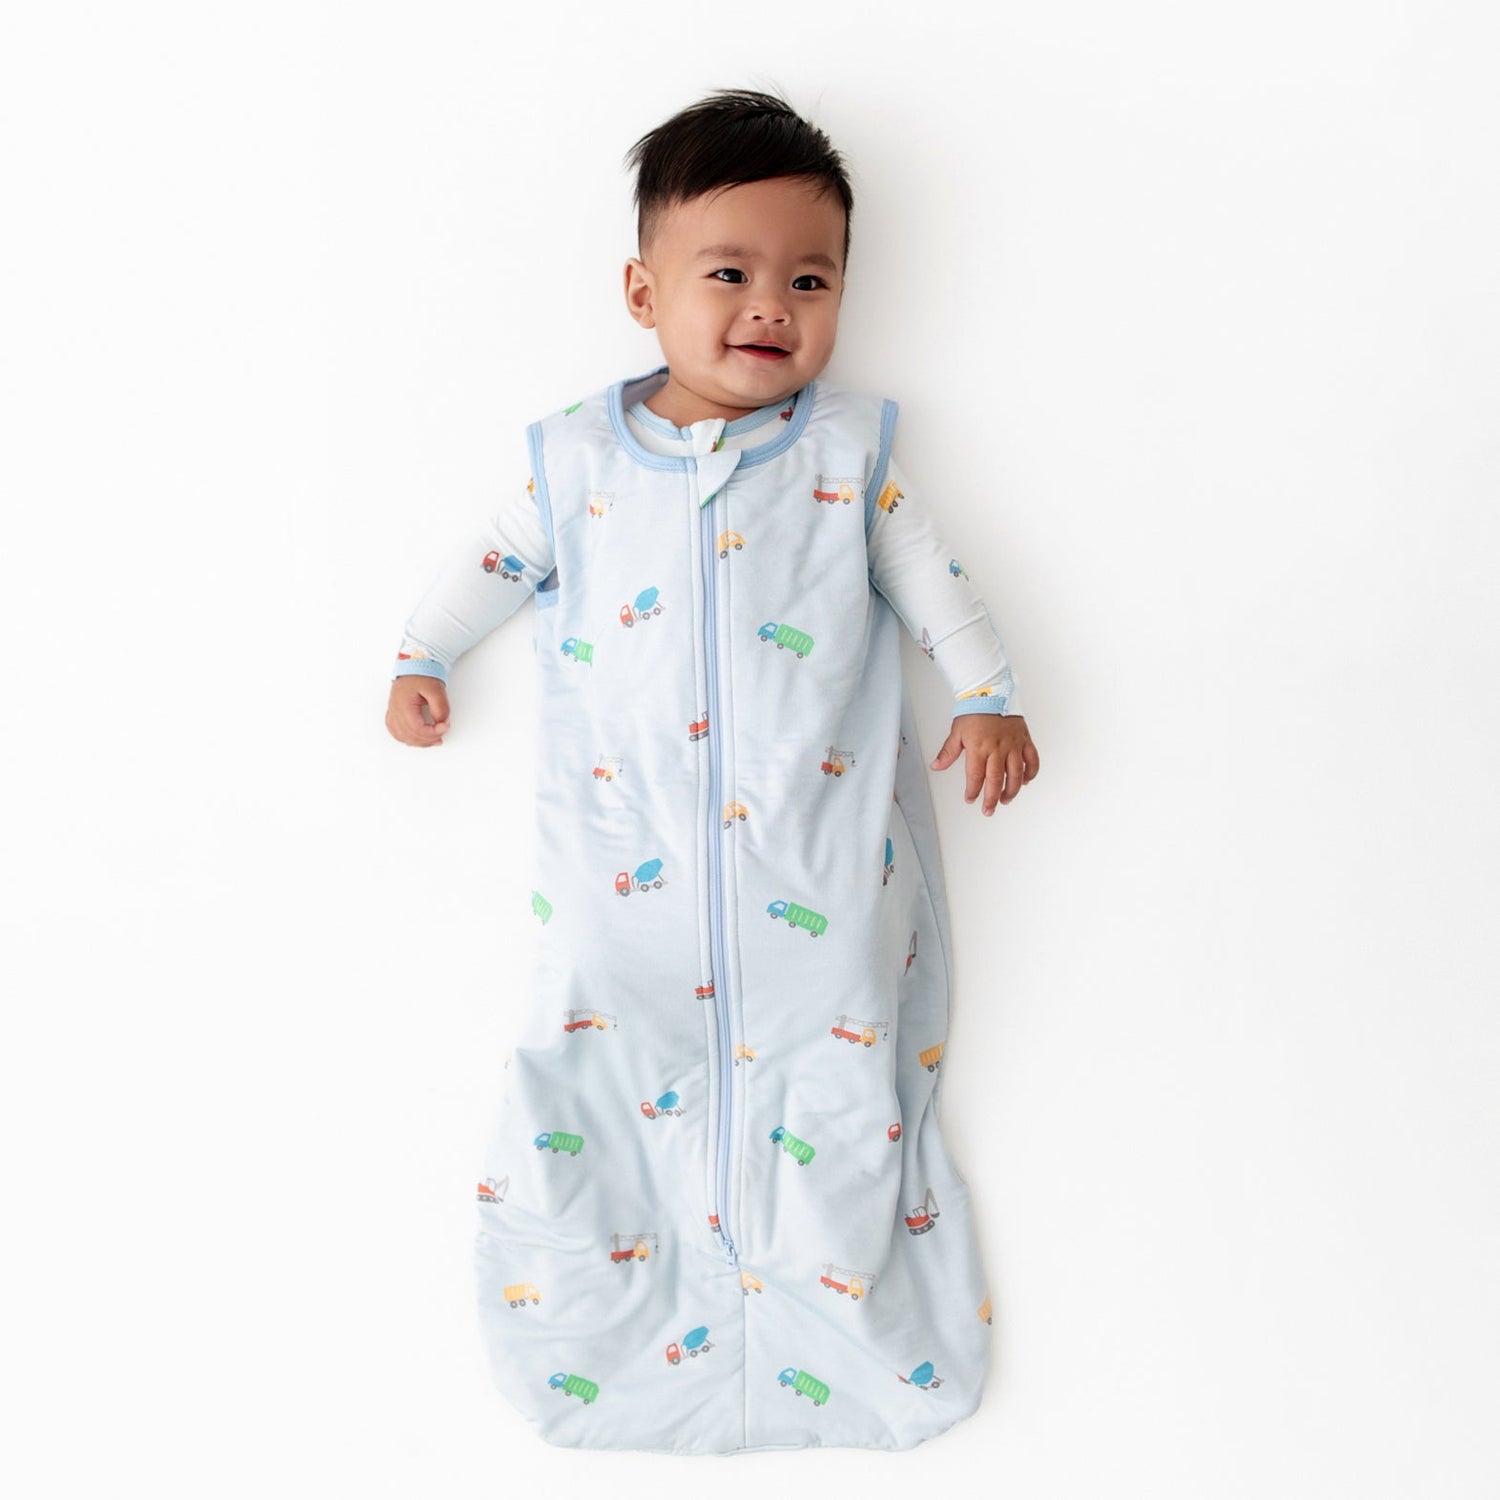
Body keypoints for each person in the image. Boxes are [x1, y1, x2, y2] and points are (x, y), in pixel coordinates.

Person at [385, 88, 1040, 1455]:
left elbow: (935, 580)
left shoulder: (850, 457)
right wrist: (423, 653)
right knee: (603, 1083)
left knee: (834, 1089)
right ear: (644, 291)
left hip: (815, 866)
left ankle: (838, 1326)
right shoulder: (574, 461)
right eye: (728, 274)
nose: (770, 308)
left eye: (809, 280)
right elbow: (490, 562)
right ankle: (613, 1333)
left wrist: (987, 693)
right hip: (626, 872)